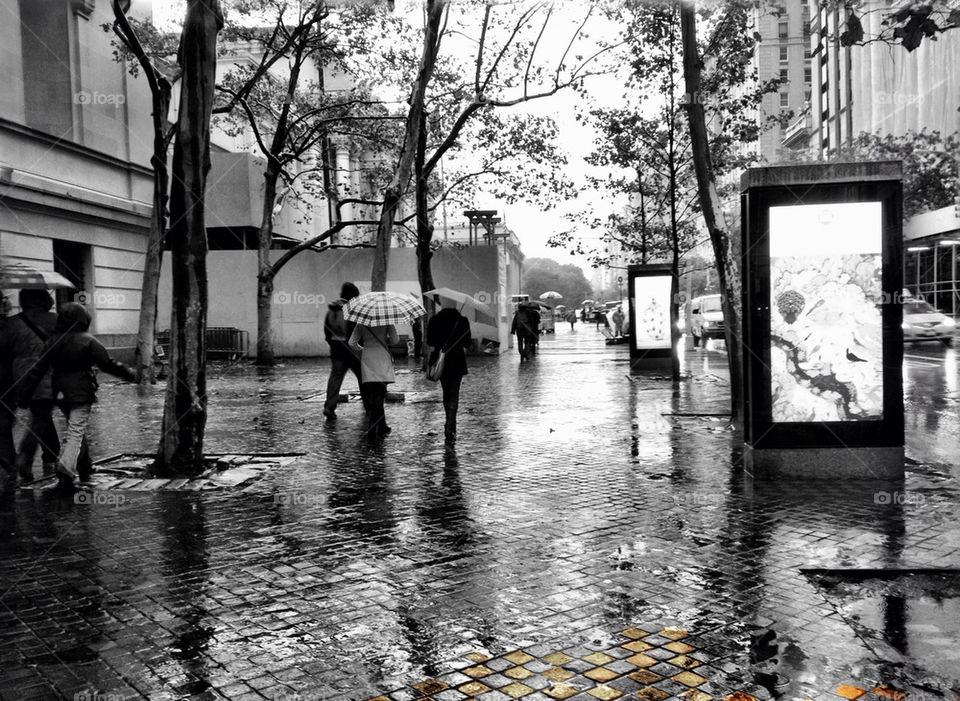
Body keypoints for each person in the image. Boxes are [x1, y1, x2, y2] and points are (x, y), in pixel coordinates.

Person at [19, 303, 136, 489]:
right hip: (81, 392)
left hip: (60, 393)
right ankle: (65, 467)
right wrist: (130, 374)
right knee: (76, 430)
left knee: (76, 427)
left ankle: (84, 466)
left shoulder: (52, 342)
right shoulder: (89, 341)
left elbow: (37, 370)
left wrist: (24, 395)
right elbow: (107, 364)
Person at [7, 290, 59, 482]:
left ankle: (51, 455)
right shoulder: (55, 320)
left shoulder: (12, 323)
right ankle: (26, 457)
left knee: (42, 413)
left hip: (20, 375)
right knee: (42, 416)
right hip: (48, 374)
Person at [426, 306, 472, 441]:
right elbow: (467, 343)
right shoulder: (462, 321)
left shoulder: (434, 320)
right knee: (454, 393)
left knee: (446, 392)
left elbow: (430, 342)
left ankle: (448, 420)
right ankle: (450, 424)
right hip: (457, 360)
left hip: (441, 360)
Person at [348, 322, 398, 439]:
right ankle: (373, 427)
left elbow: (351, 343)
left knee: (374, 394)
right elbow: (395, 340)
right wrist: (386, 341)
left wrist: (364, 348)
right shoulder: (387, 321)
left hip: (367, 358)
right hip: (382, 357)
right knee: (380, 394)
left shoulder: (361, 322)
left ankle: (381, 426)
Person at [323, 282, 362, 422]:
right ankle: (369, 405)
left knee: (335, 378)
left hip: (336, 351)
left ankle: (329, 407)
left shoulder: (331, 310)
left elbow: (327, 332)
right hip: (351, 351)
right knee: (362, 376)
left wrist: (333, 344)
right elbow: (355, 332)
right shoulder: (350, 310)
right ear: (351, 296)